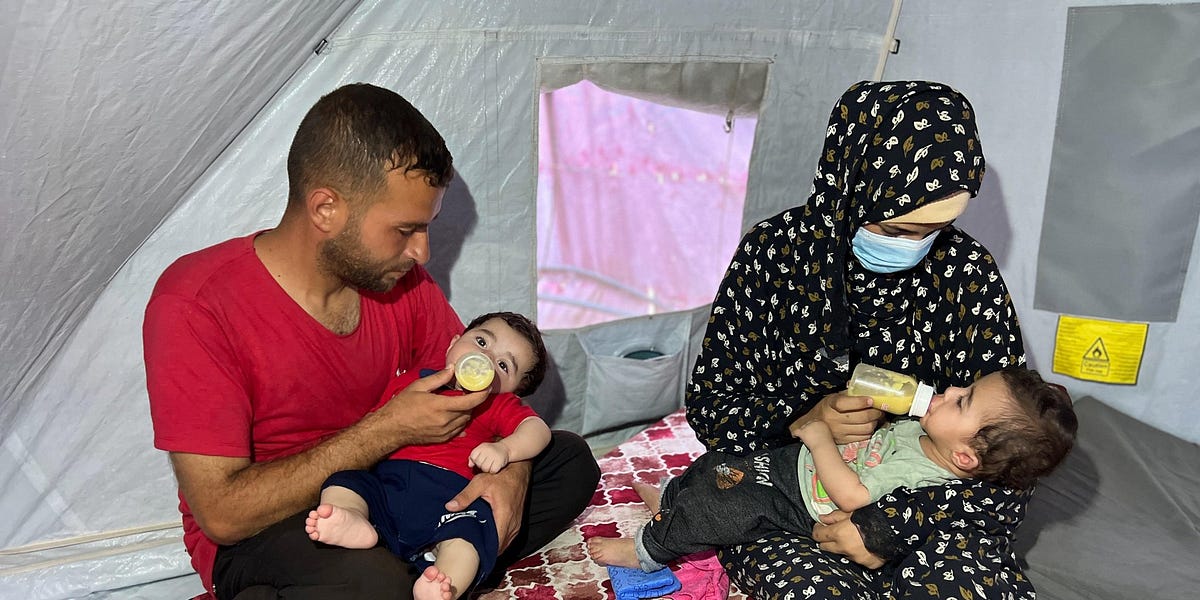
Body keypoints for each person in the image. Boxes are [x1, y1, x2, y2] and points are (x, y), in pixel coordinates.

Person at [144, 83, 600, 600]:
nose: (423, 252)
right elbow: (223, 516)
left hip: (401, 489)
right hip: (273, 528)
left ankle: (430, 572)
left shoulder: (401, 283)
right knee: (371, 581)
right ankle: (420, 573)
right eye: (406, 230)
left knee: (568, 461)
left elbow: (480, 398)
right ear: (326, 209)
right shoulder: (197, 303)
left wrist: (509, 478)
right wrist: (383, 431)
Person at [684, 80, 1036, 599]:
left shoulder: (967, 274)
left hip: (931, 508)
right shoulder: (773, 258)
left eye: (936, 228)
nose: (916, 245)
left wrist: (888, 526)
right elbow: (712, 409)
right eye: (896, 229)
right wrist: (805, 417)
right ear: (848, 186)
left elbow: (1012, 460)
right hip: (787, 491)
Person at [589, 367, 1077, 572]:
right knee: (720, 465)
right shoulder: (929, 436)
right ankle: (674, 499)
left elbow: (854, 498)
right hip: (796, 467)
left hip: (803, 499)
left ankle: (649, 550)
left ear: (966, 457)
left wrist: (821, 437)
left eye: (962, 401)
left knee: (725, 506)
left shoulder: (922, 474)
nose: (947, 391)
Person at [305, 311, 552, 600]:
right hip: (390, 485)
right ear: (453, 344)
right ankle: (352, 519)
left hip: (449, 499)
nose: (484, 359)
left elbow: (537, 430)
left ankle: (443, 583)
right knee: (344, 481)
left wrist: (506, 449)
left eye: (502, 365)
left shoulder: (497, 404)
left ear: (514, 391)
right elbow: (375, 425)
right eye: (481, 342)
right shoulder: (414, 383)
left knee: (471, 533)